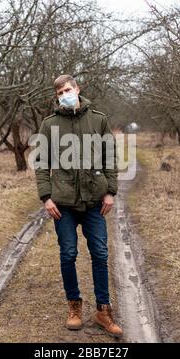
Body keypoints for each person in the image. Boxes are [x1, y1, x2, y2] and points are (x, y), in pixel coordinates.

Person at [34, 75, 123, 338]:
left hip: (95, 201)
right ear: (57, 96)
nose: (65, 94)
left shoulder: (98, 119)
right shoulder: (49, 124)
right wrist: (46, 197)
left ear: (78, 89)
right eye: (60, 92)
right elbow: (41, 162)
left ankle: (103, 311)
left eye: (68, 89)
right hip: (63, 204)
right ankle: (74, 307)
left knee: (100, 253)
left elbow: (110, 156)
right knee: (68, 254)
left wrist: (111, 191)